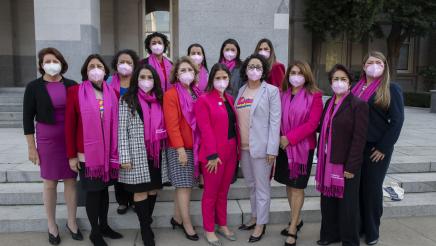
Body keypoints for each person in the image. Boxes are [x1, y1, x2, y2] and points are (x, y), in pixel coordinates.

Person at [23, 47, 82, 245]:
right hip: (47, 139)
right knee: (50, 182)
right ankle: (51, 225)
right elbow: (26, 119)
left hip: (70, 138)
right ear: (41, 65)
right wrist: (32, 147)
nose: (51, 64)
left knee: (71, 181)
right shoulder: (34, 87)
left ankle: (72, 222)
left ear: (61, 62)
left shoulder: (72, 85)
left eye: (54, 60)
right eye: (46, 61)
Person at [65, 54, 122, 246]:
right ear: (85, 71)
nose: (96, 69)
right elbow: (69, 126)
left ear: (105, 71)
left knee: (104, 190)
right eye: (91, 66)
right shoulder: (75, 92)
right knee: (93, 192)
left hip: (108, 154)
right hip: (87, 154)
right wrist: (71, 156)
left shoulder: (112, 92)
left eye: (99, 66)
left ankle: (104, 225)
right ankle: (95, 232)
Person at [354, 51, 404, 245]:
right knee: (357, 189)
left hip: (377, 149)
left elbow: (397, 121)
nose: (374, 65)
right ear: (364, 66)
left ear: (384, 66)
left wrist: (383, 147)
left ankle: (372, 230)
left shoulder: (391, 88)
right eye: (370, 62)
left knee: (372, 189)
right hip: (357, 147)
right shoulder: (355, 88)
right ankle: (359, 226)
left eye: (378, 62)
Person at [315, 64, 369, 246]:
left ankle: (349, 240)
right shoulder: (329, 102)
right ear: (330, 83)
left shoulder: (358, 105)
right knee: (328, 202)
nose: (339, 82)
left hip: (346, 164)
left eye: (343, 79)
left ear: (350, 82)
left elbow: (359, 138)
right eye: (335, 79)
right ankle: (330, 235)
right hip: (327, 161)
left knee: (347, 206)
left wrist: (351, 166)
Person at [274, 61, 323, 246]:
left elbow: (312, 124)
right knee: (289, 184)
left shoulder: (315, 96)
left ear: (307, 75)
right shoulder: (283, 94)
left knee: (297, 187)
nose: (296, 76)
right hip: (284, 148)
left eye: (300, 72)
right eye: (293, 72)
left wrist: (290, 138)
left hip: (302, 149)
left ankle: (293, 227)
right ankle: (297, 218)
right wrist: (280, 138)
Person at [118, 64, 167, 246]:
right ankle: (145, 229)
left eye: (150, 77)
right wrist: (124, 156)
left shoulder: (159, 99)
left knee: (153, 189)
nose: (146, 81)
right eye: (142, 77)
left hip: (156, 152)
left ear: (155, 81)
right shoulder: (127, 99)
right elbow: (121, 130)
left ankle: (147, 220)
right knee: (140, 192)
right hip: (136, 152)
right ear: (136, 79)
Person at [236, 54, 281, 243]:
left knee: (262, 188)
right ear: (245, 70)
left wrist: (272, 149)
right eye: (251, 66)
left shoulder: (271, 91)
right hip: (244, 148)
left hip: (262, 149)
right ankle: (254, 217)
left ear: (263, 71)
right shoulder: (241, 90)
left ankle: (261, 224)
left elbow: (275, 120)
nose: (254, 70)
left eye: (258, 67)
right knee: (251, 186)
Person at [194, 63, 239, 245]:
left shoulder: (229, 97)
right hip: (214, 154)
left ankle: (222, 224)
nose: (222, 81)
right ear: (212, 80)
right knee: (211, 193)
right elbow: (205, 129)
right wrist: (212, 154)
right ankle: (209, 228)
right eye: (218, 78)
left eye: (225, 78)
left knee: (224, 192)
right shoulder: (204, 100)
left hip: (230, 151)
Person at [163, 56, 201, 241]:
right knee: (184, 187)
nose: (187, 73)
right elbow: (172, 125)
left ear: (195, 74)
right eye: (183, 70)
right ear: (176, 74)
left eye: (190, 70)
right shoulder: (171, 94)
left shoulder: (197, 93)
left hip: (195, 146)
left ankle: (177, 218)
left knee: (185, 186)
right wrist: (179, 149)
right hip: (180, 148)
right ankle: (187, 224)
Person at [108, 49, 140, 214]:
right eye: (122, 62)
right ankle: (122, 200)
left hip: (134, 131)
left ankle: (135, 199)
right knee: (118, 164)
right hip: (113, 129)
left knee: (133, 165)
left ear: (134, 66)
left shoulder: (138, 83)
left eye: (129, 62)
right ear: (116, 64)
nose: (125, 65)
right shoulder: (108, 82)